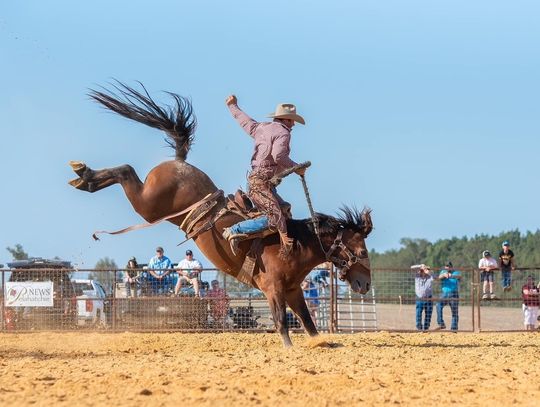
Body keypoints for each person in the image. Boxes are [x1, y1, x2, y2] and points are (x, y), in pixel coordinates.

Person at [222, 95, 307, 259]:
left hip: (258, 182)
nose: (293, 124)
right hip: (261, 183)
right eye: (291, 120)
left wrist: (233, 106)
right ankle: (235, 230)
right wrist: (297, 169)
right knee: (276, 218)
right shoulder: (283, 134)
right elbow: (279, 157)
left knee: (284, 211)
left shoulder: (262, 127)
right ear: (285, 119)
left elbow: (244, 122)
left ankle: (259, 242)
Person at [436, 261, 461, 331]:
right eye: (446, 266)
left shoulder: (456, 272)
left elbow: (459, 277)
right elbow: (439, 277)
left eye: (449, 266)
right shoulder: (443, 271)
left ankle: (454, 328)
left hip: (454, 293)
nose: (447, 267)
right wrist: (443, 275)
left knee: (454, 311)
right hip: (444, 293)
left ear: (451, 267)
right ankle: (441, 323)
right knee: (438, 305)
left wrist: (451, 275)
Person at [411, 264, 433, 331]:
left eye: (424, 270)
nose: (422, 271)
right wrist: (420, 265)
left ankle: (426, 328)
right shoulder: (417, 276)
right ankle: (419, 328)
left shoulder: (430, 276)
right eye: (422, 270)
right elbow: (412, 267)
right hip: (419, 297)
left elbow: (435, 278)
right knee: (418, 313)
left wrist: (429, 272)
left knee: (428, 313)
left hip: (428, 297)